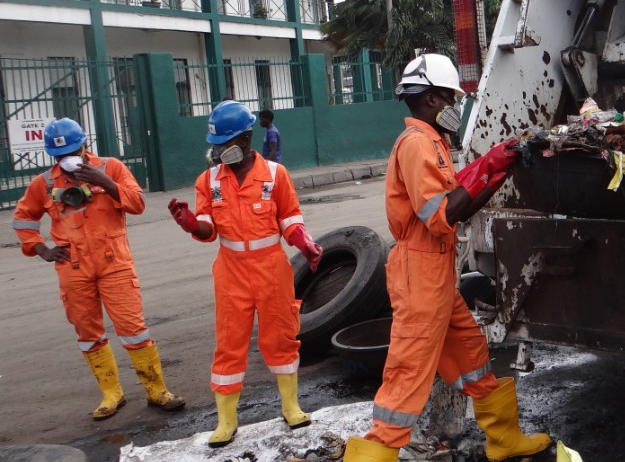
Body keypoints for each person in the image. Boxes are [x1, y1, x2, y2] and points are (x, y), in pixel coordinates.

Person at [342, 54, 551, 462]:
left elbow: (461, 200)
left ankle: (504, 438)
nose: (456, 106)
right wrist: (495, 166)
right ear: (432, 99)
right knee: (407, 375)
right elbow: (443, 214)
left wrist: (499, 167)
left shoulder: (430, 140)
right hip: (421, 272)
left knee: (471, 354)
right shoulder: (419, 143)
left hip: (434, 274)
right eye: (452, 98)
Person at [166, 100, 324, 448]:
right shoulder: (208, 181)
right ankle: (226, 421)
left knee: (281, 336)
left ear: (247, 138)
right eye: (217, 144)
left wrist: (306, 244)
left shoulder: (274, 174)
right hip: (231, 270)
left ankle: (291, 406)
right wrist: (193, 224)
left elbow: (290, 219)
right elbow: (208, 228)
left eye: (227, 143)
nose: (220, 150)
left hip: (272, 267)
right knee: (230, 342)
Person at [12, 118, 184, 421]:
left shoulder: (111, 167)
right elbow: (24, 219)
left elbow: (137, 204)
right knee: (88, 332)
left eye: (71, 152)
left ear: (84, 145)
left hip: (113, 262)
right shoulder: (46, 183)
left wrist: (102, 181)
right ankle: (111, 394)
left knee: (133, 329)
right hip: (73, 267)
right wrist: (42, 249)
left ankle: (156, 390)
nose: (65, 160)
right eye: (58, 156)